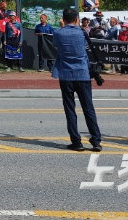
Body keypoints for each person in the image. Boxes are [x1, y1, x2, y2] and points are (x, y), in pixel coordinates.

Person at [52, 8, 102, 152]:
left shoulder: (58, 33)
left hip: (66, 74)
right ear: (76, 19)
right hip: (83, 73)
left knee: (70, 109)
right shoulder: (82, 32)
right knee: (88, 108)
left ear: (63, 19)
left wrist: (62, 27)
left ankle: (76, 141)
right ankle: (96, 140)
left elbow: (56, 44)